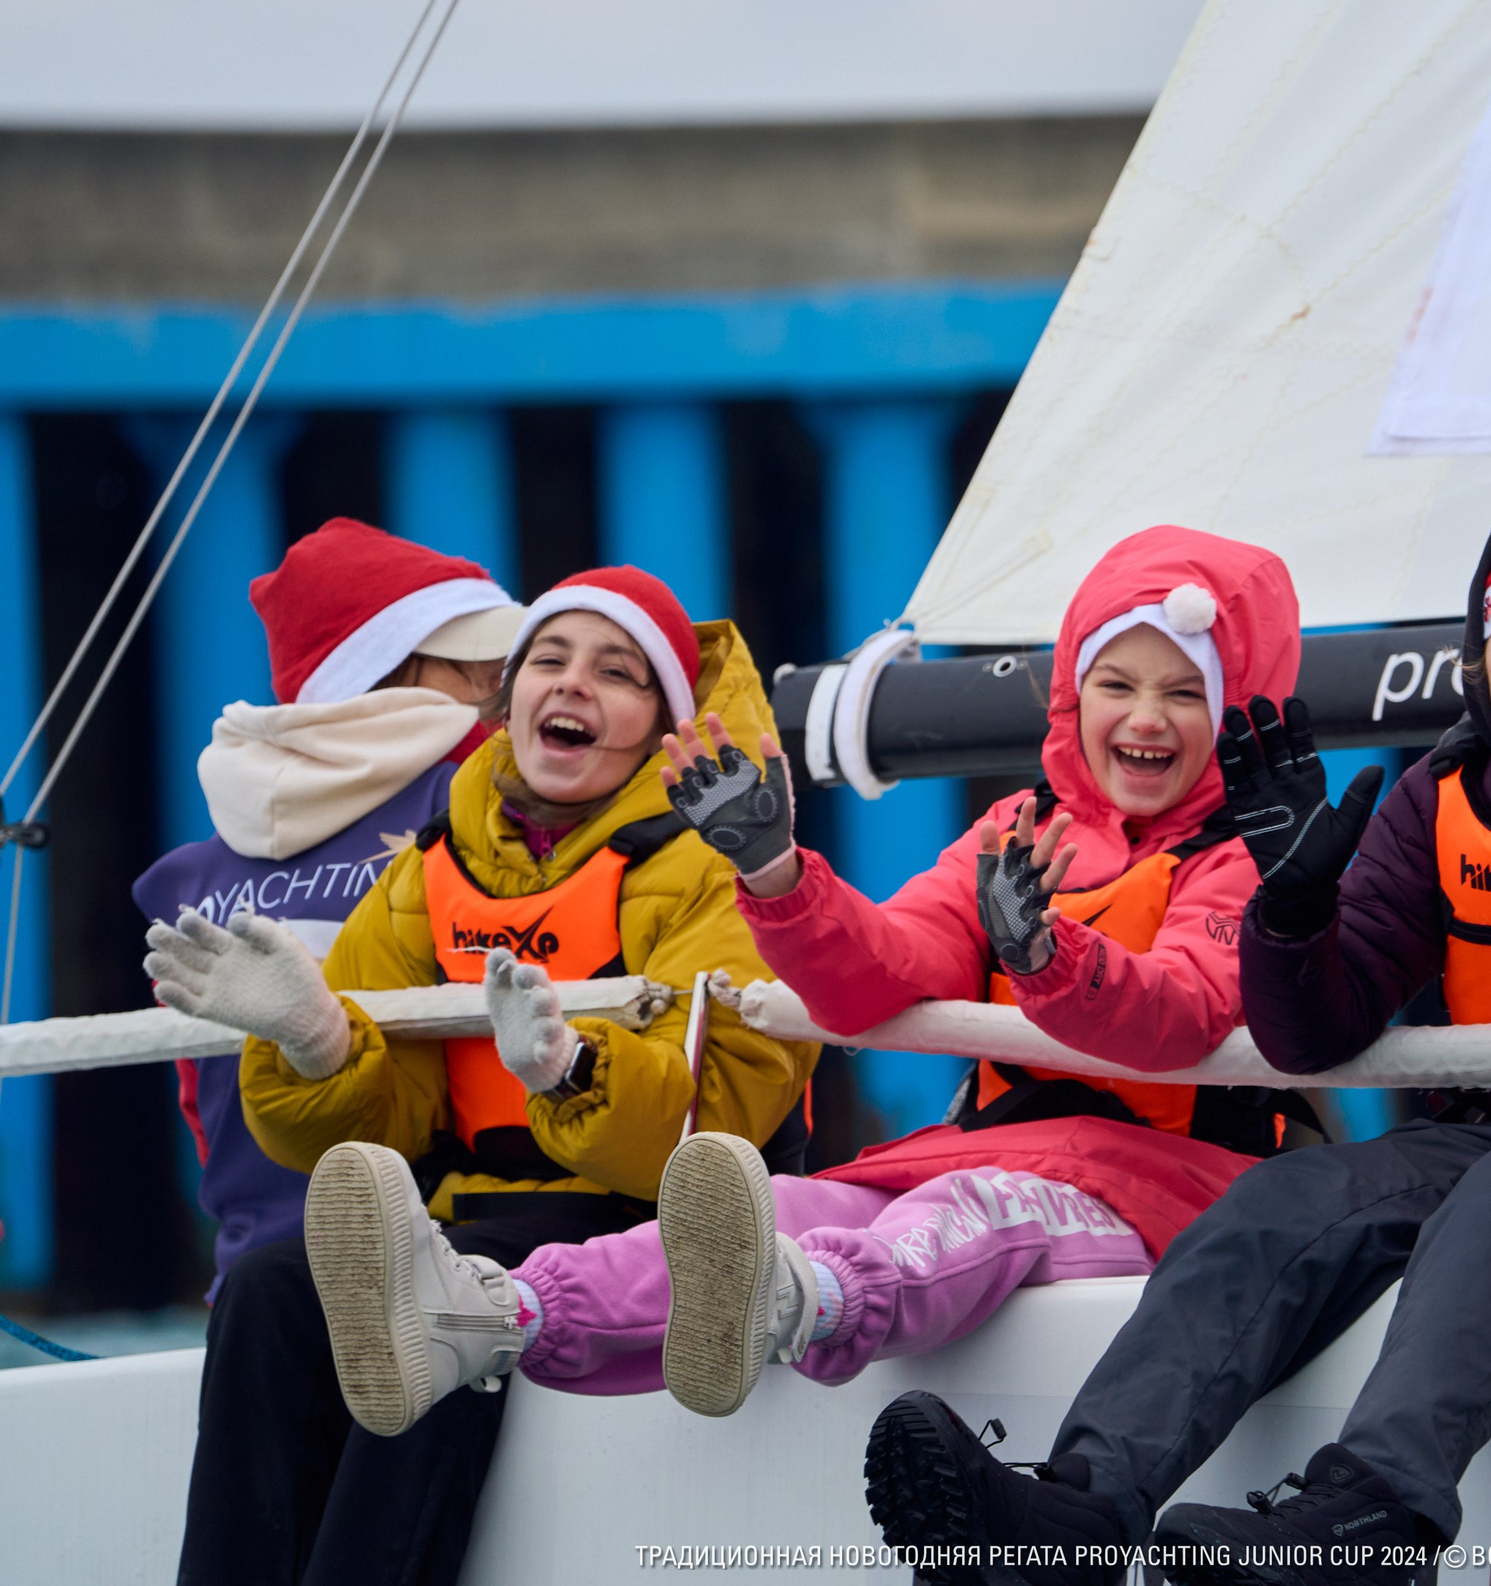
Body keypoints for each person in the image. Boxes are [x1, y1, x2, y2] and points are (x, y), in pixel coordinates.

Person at [864, 459, 1491, 1586]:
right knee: (1280, 1197)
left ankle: (1371, 1520)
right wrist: (1291, 910)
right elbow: (1314, 1037)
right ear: (1485, 665)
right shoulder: (1439, 792)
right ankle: (1076, 1515)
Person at [298, 526, 1318, 1426]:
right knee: (782, 1204)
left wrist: (1050, 956)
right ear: (1072, 694)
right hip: (990, 1151)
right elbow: (883, 977)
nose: (1146, 716)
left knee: (965, 1219)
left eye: (1185, 692)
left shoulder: (1248, 857)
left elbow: (1182, 1014)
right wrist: (776, 871)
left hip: (1164, 1186)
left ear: (1237, 710)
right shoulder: (1014, 832)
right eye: (1117, 684)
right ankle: (491, 1311)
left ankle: (804, 1302)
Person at [150, 565, 818, 1586]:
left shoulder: (713, 865)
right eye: (547, 659)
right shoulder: (433, 860)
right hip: (476, 1209)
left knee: (431, 1298)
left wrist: (567, 1067)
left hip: (648, 1218)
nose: (572, 685)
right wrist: (313, 1040)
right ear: (507, 702)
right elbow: (391, 1119)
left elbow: (724, 1107)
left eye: (617, 671)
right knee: (267, 1289)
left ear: (662, 723)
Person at [132, 518, 524, 1289]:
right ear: (397, 669)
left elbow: (197, 1102)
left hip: (255, 1277)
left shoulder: (192, 877)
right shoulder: (473, 808)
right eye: (485, 672)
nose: (505, 701)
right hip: (454, 1266)